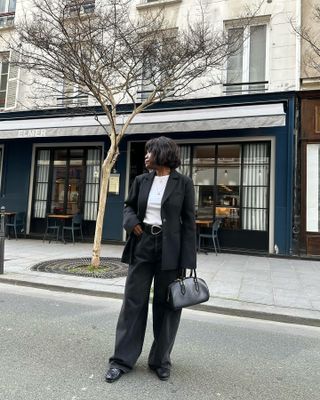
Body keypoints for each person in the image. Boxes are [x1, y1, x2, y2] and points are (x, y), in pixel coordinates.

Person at [105, 136, 197, 383]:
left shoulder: (184, 183)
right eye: (145, 153)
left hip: (171, 249)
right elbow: (128, 207)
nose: (145, 156)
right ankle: (121, 360)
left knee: (167, 306)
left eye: (150, 152)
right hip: (143, 243)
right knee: (133, 302)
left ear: (163, 154)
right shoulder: (141, 180)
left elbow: (189, 223)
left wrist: (188, 261)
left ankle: (160, 360)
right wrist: (132, 223)